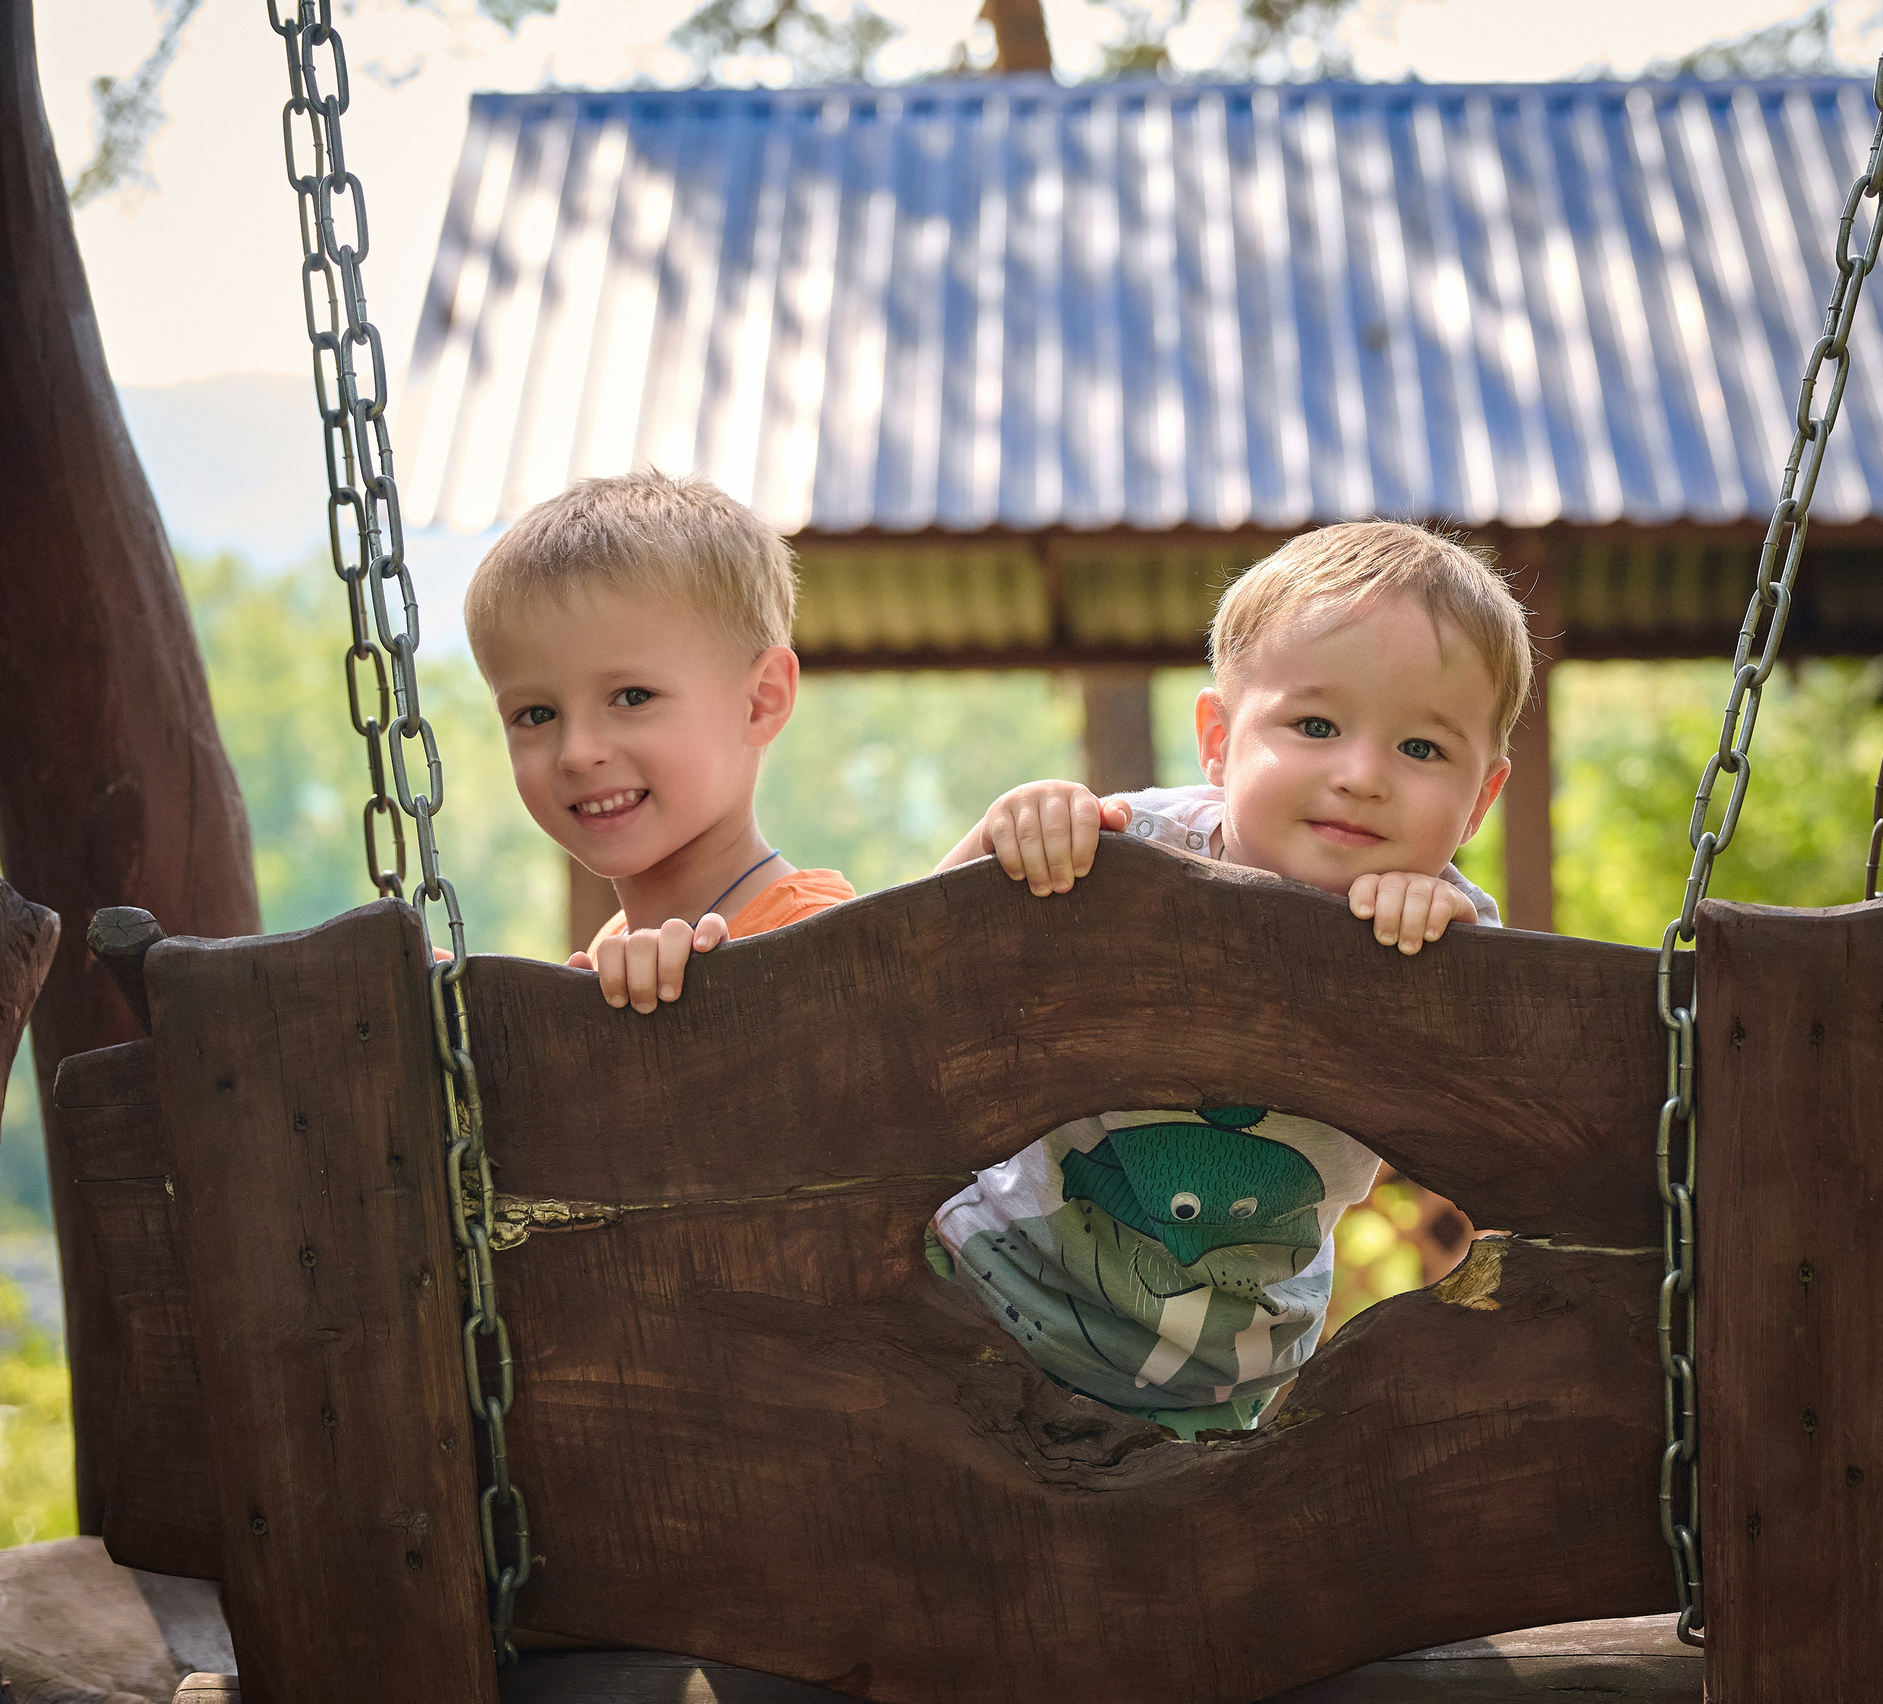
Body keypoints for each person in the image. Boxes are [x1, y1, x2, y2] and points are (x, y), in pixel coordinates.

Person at [927, 520, 1534, 1437]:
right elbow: (914, 969)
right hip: (987, 1286)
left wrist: (1440, 964)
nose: (1362, 775)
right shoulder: (1132, 846)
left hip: (1217, 1379)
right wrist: (1005, 837)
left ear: (1481, 797)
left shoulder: (1447, 925)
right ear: (1217, 739)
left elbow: (1504, 1104)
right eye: (1316, 726)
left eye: (1422, 749)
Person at [463, 470, 854, 1006]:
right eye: (536, 714)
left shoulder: (819, 940)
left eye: (632, 697)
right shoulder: (609, 948)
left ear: (761, 701)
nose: (577, 752)